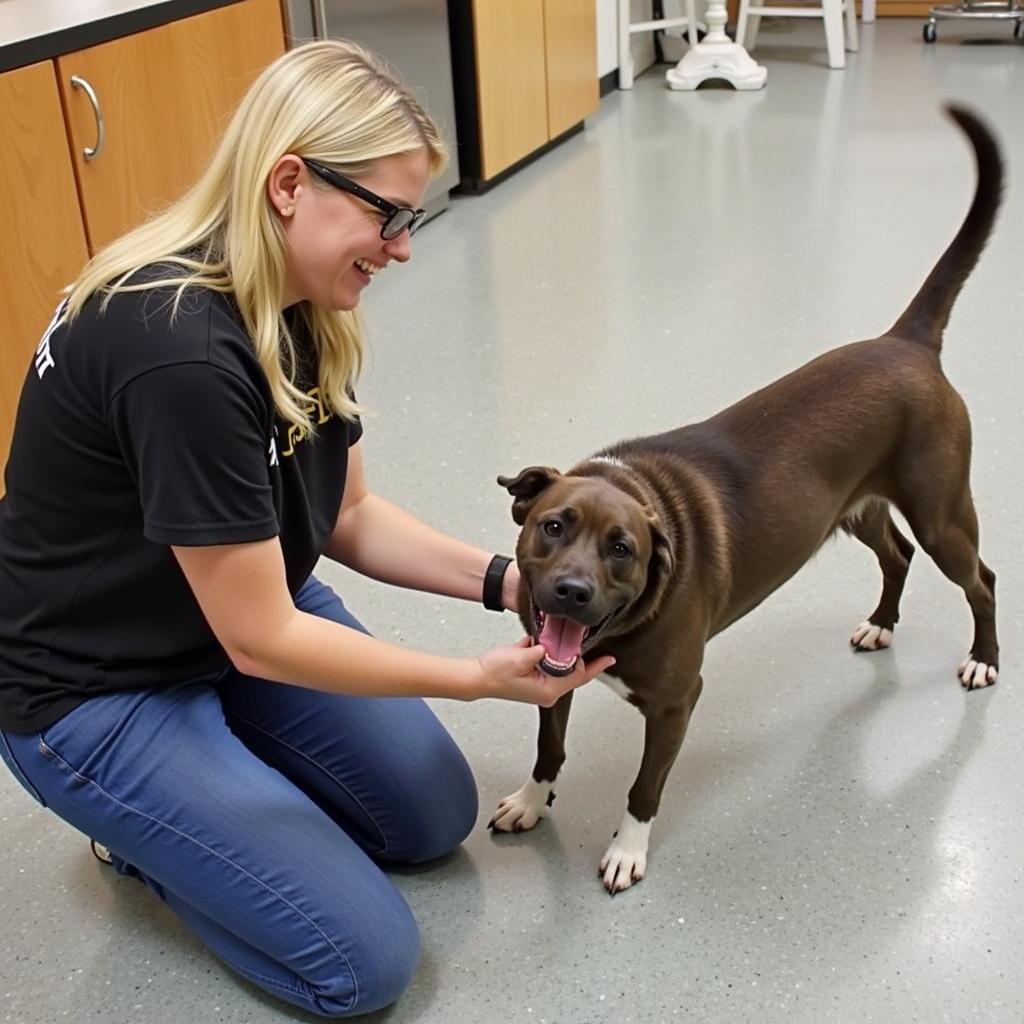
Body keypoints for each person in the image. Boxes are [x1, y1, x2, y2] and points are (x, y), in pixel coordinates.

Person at [0, 39, 613, 1018]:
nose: (404, 247)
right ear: (290, 183)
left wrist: (516, 584)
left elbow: (351, 516)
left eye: (413, 218)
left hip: (230, 616)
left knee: (430, 815)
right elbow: (262, 636)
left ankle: (212, 788)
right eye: (387, 216)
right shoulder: (177, 349)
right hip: (98, 688)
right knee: (359, 965)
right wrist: (472, 678)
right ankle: (148, 843)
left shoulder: (300, 303)